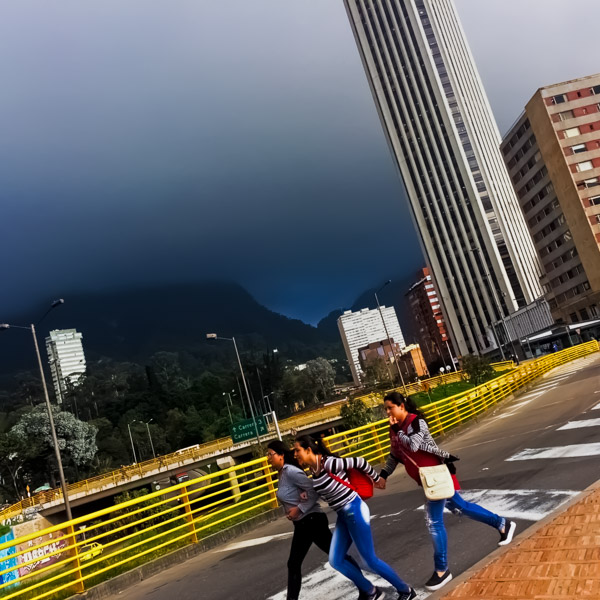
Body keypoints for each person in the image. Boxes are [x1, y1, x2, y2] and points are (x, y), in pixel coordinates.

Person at [377, 391, 516, 592]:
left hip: (438, 475)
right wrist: (383, 475)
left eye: (390, 407)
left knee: (433, 521)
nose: (387, 412)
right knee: (461, 507)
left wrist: (398, 429)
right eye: (386, 409)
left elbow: (414, 445)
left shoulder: (416, 422)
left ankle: (442, 570)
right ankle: (503, 524)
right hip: (429, 481)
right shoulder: (395, 430)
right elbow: (395, 455)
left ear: (402, 406)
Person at [293, 435, 416, 600]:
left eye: (297, 450)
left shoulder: (328, 463)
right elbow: (323, 489)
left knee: (369, 560)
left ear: (308, 450)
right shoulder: (314, 471)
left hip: (354, 509)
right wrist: (305, 497)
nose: (295, 454)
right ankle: (371, 591)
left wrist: (376, 478)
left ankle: (406, 590)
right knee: (335, 560)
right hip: (343, 515)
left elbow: (360, 462)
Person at [266, 440, 364, 600]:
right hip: (303, 523)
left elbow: (313, 489)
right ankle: (365, 587)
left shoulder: (290, 471)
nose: (268, 458)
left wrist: (298, 508)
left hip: (311, 521)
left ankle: (365, 587)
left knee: (333, 557)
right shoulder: (282, 473)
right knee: (302, 562)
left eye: (270, 454)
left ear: (281, 455)